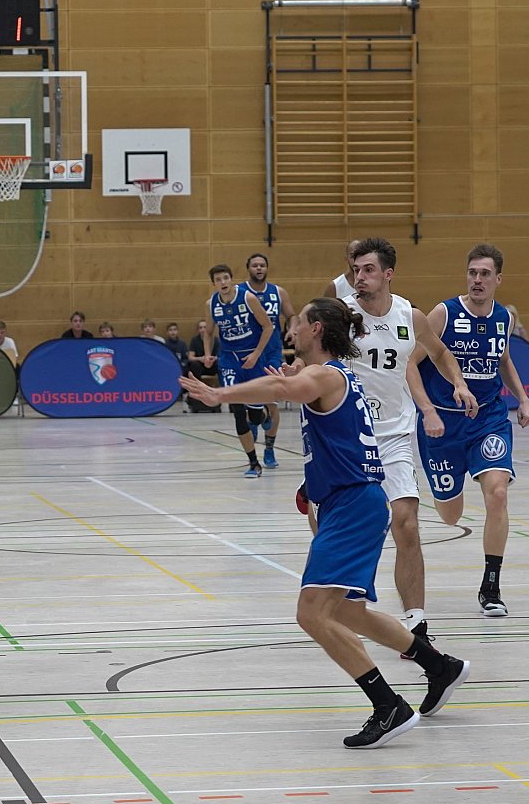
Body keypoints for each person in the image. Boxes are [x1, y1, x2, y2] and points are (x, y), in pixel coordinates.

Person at [181, 298, 471, 749]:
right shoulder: (336, 376)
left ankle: (388, 705)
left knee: (311, 613)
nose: (291, 329)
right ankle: (439, 666)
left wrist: (221, 395)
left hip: (353, 504)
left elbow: (284, 389)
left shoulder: (326, 375)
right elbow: (299, 395)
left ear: (316, 329)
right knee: (347, 613)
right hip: (350, 502)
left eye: (298, 323)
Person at [340, 238, 477, 650]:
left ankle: (416, 624)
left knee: (407, 523)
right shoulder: (340, 315)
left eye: (367, 270)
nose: (359, 277)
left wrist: (459, 383)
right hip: (348, 439)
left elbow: (439, 352)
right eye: (356, 270)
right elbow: (310, 356)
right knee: (348, 529)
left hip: (395, 437)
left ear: (388, 274)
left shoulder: (409, 315)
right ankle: (344, 605)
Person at [411, 243, 529, 618]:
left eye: (484, 274)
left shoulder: (504, 317)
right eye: (472, 273)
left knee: (498, 493)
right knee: (450, 515)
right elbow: (410, 363)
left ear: (498, 279)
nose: (477, 280)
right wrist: (427, 410)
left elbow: (504, 360)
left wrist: (523, 400)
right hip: (442, 425)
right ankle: (449, 490)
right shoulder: (443, 313)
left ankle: (491, 587)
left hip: (488, 419)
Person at [207, 263, 274, 477]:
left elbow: (268, 327)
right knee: (237, 411)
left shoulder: (248, 298)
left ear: (231, 279)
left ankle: (264, 415)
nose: (223, 282)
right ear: (214, 283)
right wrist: (208, 353)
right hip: (229, 360)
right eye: (218, 280)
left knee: (254, 416)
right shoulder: (211, 304)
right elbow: (208, 332)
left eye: (225, 278)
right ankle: (254, 463)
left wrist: (256, 354)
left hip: (252, 357)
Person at [247, 252, 297, 469]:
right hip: (248, 352)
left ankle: (269, 448)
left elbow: (292, 316)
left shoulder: (278, 292)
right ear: (248, 269)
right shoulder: (241, 292)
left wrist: (293, 329)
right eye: (255, 265)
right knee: (249, 399)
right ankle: (256, 419)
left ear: (267, 268)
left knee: (273, 399)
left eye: (262, 265)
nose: (259, 268)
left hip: (272, 352)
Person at [185, 318, 220, 412]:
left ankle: (224, 391)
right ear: (198, 330)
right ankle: (198, 390)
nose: (203, 329)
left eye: (205, 327)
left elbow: (220, 356)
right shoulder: (194, 340)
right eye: (201, 327)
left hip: (212, 366)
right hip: (200, 367)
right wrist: (201, 358)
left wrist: (212, 359)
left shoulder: (216, 340)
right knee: (194, 365)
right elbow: (191, 357)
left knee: (221, 364)